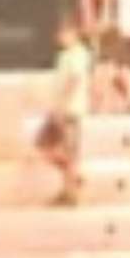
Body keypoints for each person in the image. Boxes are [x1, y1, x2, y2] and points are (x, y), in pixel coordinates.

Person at [38, 24, 92, 207]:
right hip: (59, 107)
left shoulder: (79, 54)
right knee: (45, 146)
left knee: (68, 149)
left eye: (63, 34)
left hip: (71, 109)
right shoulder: (63, 56)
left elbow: (74, 79)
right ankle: (73, 177)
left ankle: (69, 192)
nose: (60, 38)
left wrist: (62, 104)